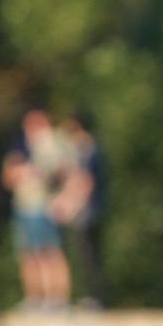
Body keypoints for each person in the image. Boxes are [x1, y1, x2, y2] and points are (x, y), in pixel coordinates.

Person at [4, 108, 72, 311]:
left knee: (51, 252)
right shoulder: (20, 147)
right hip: (25, 207)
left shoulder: (56, 145)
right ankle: (36, 298)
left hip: (46, 206)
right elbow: (9, 177)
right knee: (29, 254)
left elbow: (63, 172)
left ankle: (58, 298)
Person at [53, 111, 106, 310]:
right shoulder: (81, 149)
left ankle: (95, 296)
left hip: (88, 209)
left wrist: (70, 204)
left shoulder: (87, 149)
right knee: (84, 255)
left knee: (90, 255)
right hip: (85, 208)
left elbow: (86, 180)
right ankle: (90, 295)